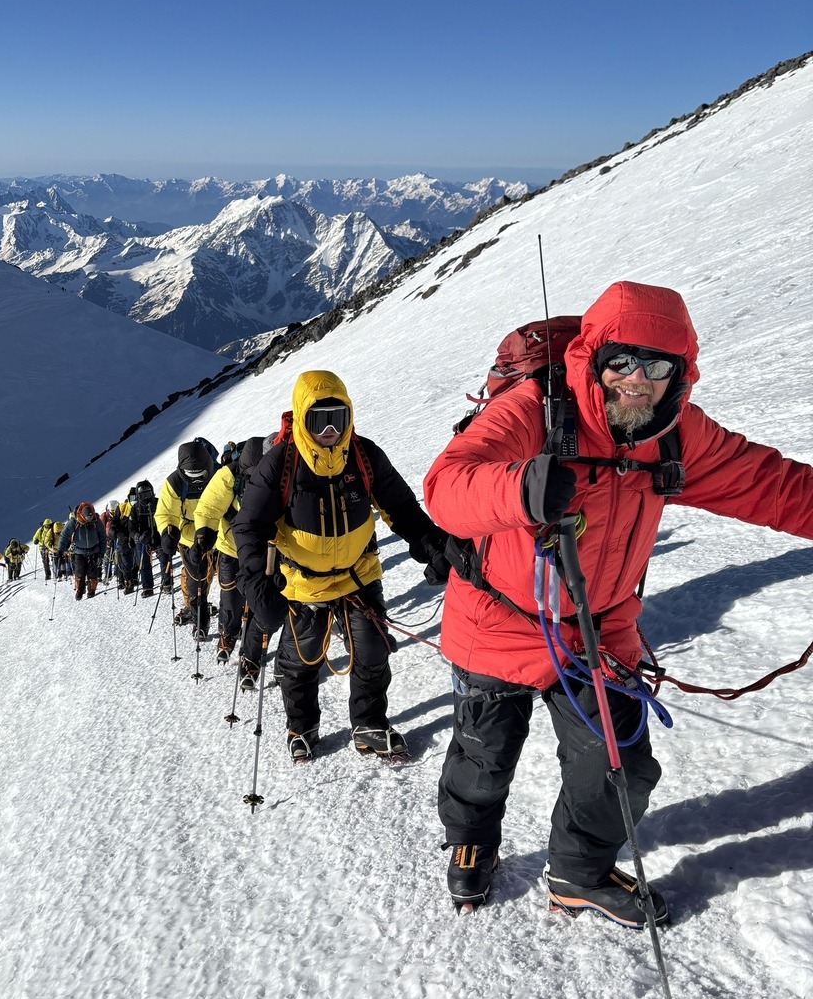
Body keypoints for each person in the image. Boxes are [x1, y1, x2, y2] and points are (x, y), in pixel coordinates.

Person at [423, 280, 813, 926]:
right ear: (593, 358)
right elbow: (448, 487)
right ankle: (472, 838)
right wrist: (521, 488)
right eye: (622, 361)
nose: (637, 380)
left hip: (596, 631)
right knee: (482, 757)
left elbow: (770, 485)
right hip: (497, 621)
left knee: (619, 767)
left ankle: (578, 873)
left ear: (681, 373)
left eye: (658, 367)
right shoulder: (533, 411)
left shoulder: (677, 434)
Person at [234, 370, 450, 764]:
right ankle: (302, 727)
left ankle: (369, 723)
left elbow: (401, 507)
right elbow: (249, 526)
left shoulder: (364, 455)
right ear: (302, 418)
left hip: (357, 573)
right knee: (301, 661)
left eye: (339, 418)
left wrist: (431, 545)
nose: (331, 430)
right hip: (304, 581)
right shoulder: (280, 463)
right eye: (319, 420)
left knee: (372, 651)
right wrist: (256, 580)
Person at [191, 435, 268, 678]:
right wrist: (204, 531)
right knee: (231, 596)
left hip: (265, 551)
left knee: (260, 603)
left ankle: (252, 652)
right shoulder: (229, 475)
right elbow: (209, 507)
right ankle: (228, 634)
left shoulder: (278, 473)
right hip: (231, 547)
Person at [155, 440, 217, 638]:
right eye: (191, 476)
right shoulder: (174, 483)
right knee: (195, 581)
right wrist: (168, 532)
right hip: (189, 536)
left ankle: (231, 623)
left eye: (200, 475)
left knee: (227, 578)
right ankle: (200, 621)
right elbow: (166, 513)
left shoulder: (219, 475)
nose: (196, 480)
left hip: (216, 533)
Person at [56, 503, 107, 600]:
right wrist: (60, 549)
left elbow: (102, 536)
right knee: (79, 572)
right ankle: (80, 590)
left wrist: (102, 551)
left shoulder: (96, 520)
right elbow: (64, 535)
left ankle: (91, 590)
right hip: (79, 551)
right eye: (87, 518)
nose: (89, 520)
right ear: (82, 515)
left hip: (94, 550)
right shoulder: (74, 521)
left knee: (93, 572)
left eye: (91, 517)